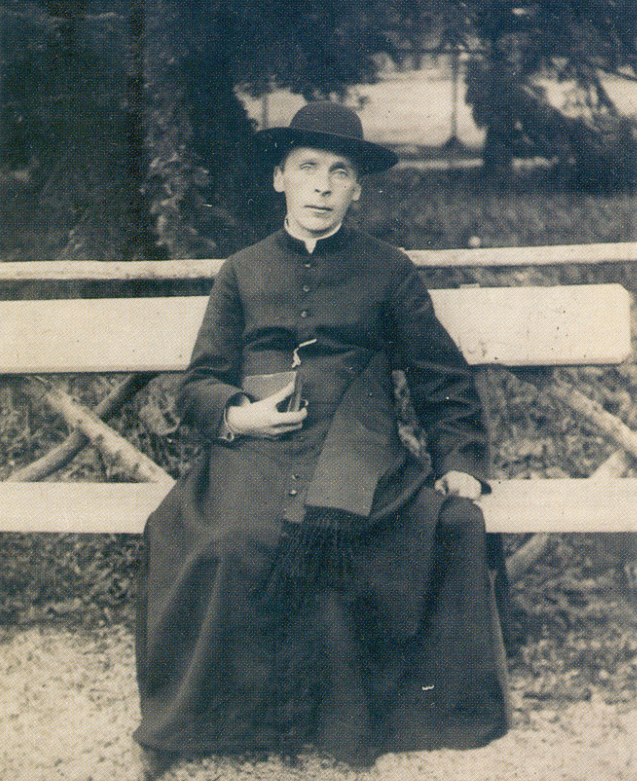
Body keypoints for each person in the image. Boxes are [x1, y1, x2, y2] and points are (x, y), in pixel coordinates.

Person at [134, 101, 511, 779]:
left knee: (420, 530)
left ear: (357, 188)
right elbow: (198, 385)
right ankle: (220, 720)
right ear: (279, 177)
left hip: (361, 447)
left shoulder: (389, 269)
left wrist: (459, 460)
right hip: (254, 449)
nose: (322, 185)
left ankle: (352, 716)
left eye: (339, 172)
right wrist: (239, 415)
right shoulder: (241, 270)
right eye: (307, 167)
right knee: (228, 542)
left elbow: (439, 375)